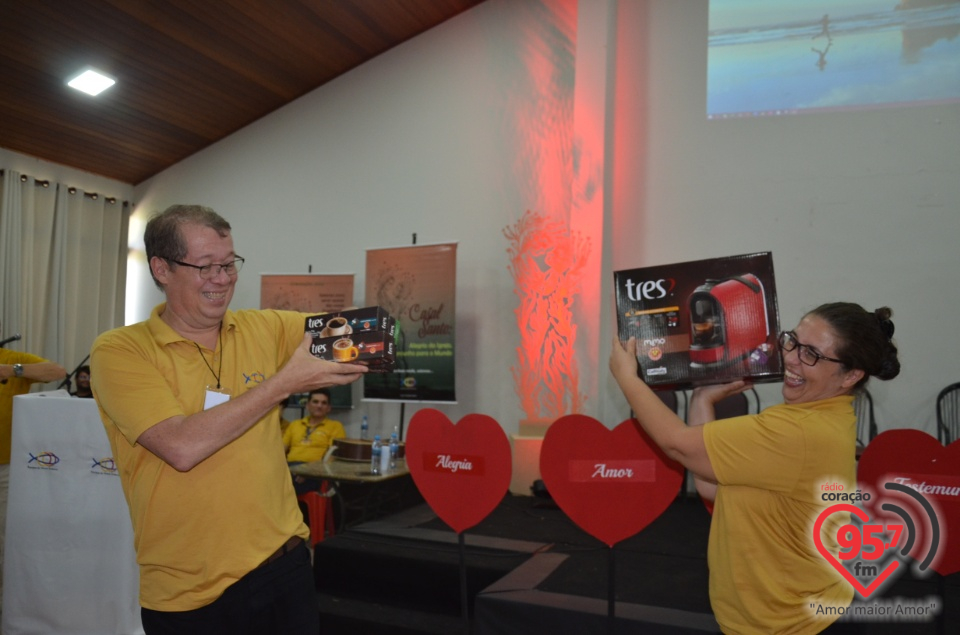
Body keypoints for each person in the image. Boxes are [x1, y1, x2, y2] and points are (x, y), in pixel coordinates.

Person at [90, 204, 367, 635]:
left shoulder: (263, 328)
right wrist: (283, 383)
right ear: (161, 269)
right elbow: (180, 447)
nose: (222, 279)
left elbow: (365, 336)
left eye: (229, 263)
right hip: (190, 593)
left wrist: (367, 326)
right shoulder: (121, 351)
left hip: (284, 565)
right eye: (205, 267)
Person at [610, 302, 900, 634]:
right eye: (792, 340)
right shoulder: (824, 417)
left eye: (812, 354)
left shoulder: (798, 432)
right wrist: (703, 400)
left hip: (791, 624)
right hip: (777, 614)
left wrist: (626, 377)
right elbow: (711, 486)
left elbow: (677, 443)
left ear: (851, 375)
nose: (790, 357)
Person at [0, 321, 66, 607]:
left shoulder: (13, 360)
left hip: (7, 468)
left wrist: (13, 371)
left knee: (7, 539)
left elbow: (58, 371)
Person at [284, 388, 344, 496]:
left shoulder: (335, 426)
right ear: (307, 405)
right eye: (315, 402)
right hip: (290, 469)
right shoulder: (294, 425)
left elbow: (332, 457)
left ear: (328, 408)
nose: (319, 406)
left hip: (316, 473)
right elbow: (280, 451)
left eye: (323, 403)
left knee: (281, 485)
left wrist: (307, 471)